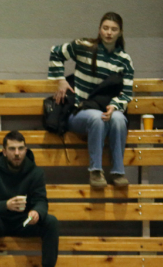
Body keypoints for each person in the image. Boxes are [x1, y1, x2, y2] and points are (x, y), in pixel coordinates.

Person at [49, 12, 134, 189]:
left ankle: (118, 172)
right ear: (99, 29)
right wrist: (61, 80)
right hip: (79, 111)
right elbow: (56, 52)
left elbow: (126, 94)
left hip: (108, 110)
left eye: (114, 29)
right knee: (97, 117)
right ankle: (95, 171)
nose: (109, 32)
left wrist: (114, 106)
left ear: (120, 32)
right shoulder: (84, 46)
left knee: (119, 119)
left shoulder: (124, 60)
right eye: (105, 28)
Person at [0, 131, 66, 267]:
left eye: (20, 148)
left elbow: (41, 200)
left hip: (24, 222)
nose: (17, 153)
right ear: (4, 152)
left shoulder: (35, 172)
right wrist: (6, 205)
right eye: (12, 149)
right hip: (0, 221)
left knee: (51, 221)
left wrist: (36, 212)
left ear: (26, 150)